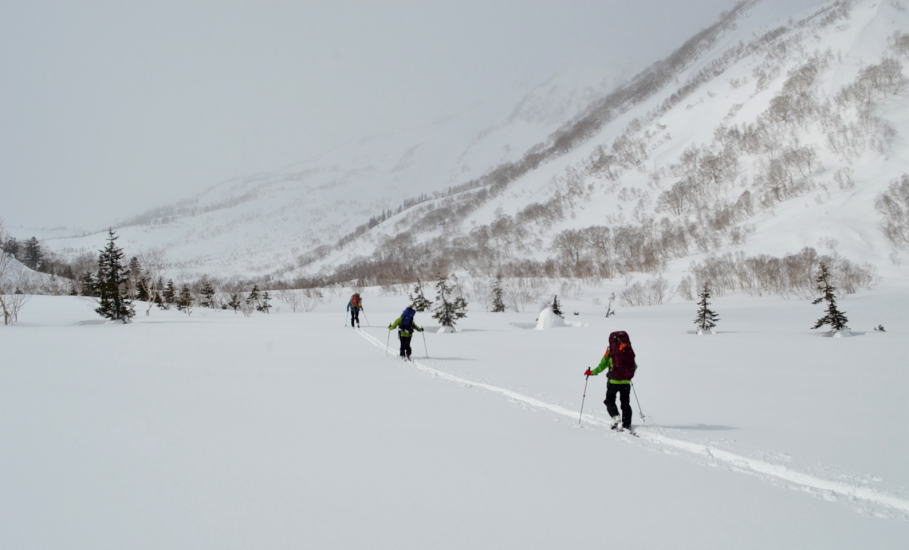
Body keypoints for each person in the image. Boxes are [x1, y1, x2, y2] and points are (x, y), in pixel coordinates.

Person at [584, 330, 637, 432]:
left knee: (609, 401)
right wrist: (628, 375)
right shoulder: (628, 349)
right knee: (625, 404)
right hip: (626, 382)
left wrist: (592, 372)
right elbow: (635, 366)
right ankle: (627, 424)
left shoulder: (610, 351)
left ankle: (616, 417)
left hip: (613, 382)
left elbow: (602, 365)